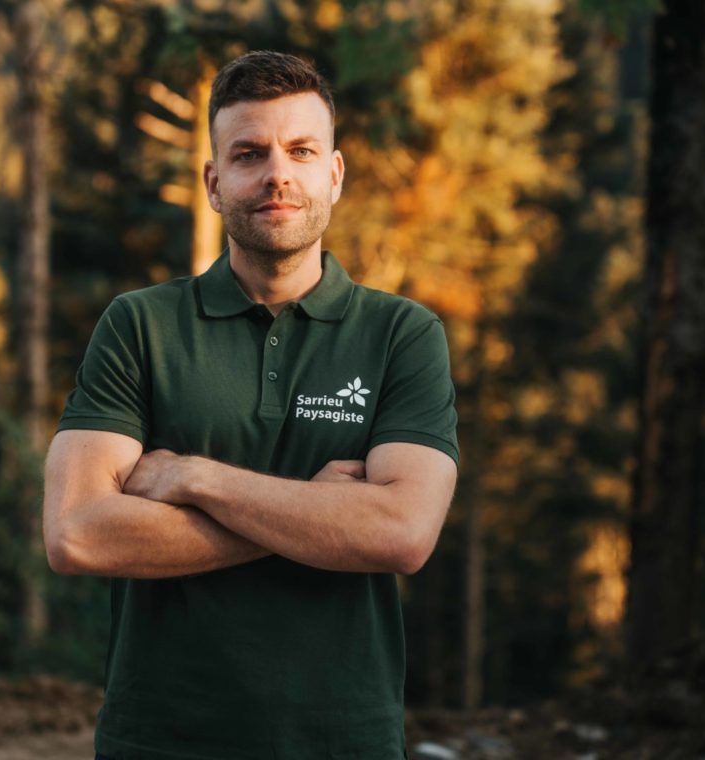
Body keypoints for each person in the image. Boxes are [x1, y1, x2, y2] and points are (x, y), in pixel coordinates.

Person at [44, 50, 459, 760]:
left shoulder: (401, 335)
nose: (277, 174)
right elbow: (79, 534)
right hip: (160, 741)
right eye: (248, 154)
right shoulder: (141, 325)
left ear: (334, 173)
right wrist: (317, 514)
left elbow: (401, 534)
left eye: (301, 150)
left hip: (343, 741)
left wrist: (193, 480)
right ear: (212, 182)